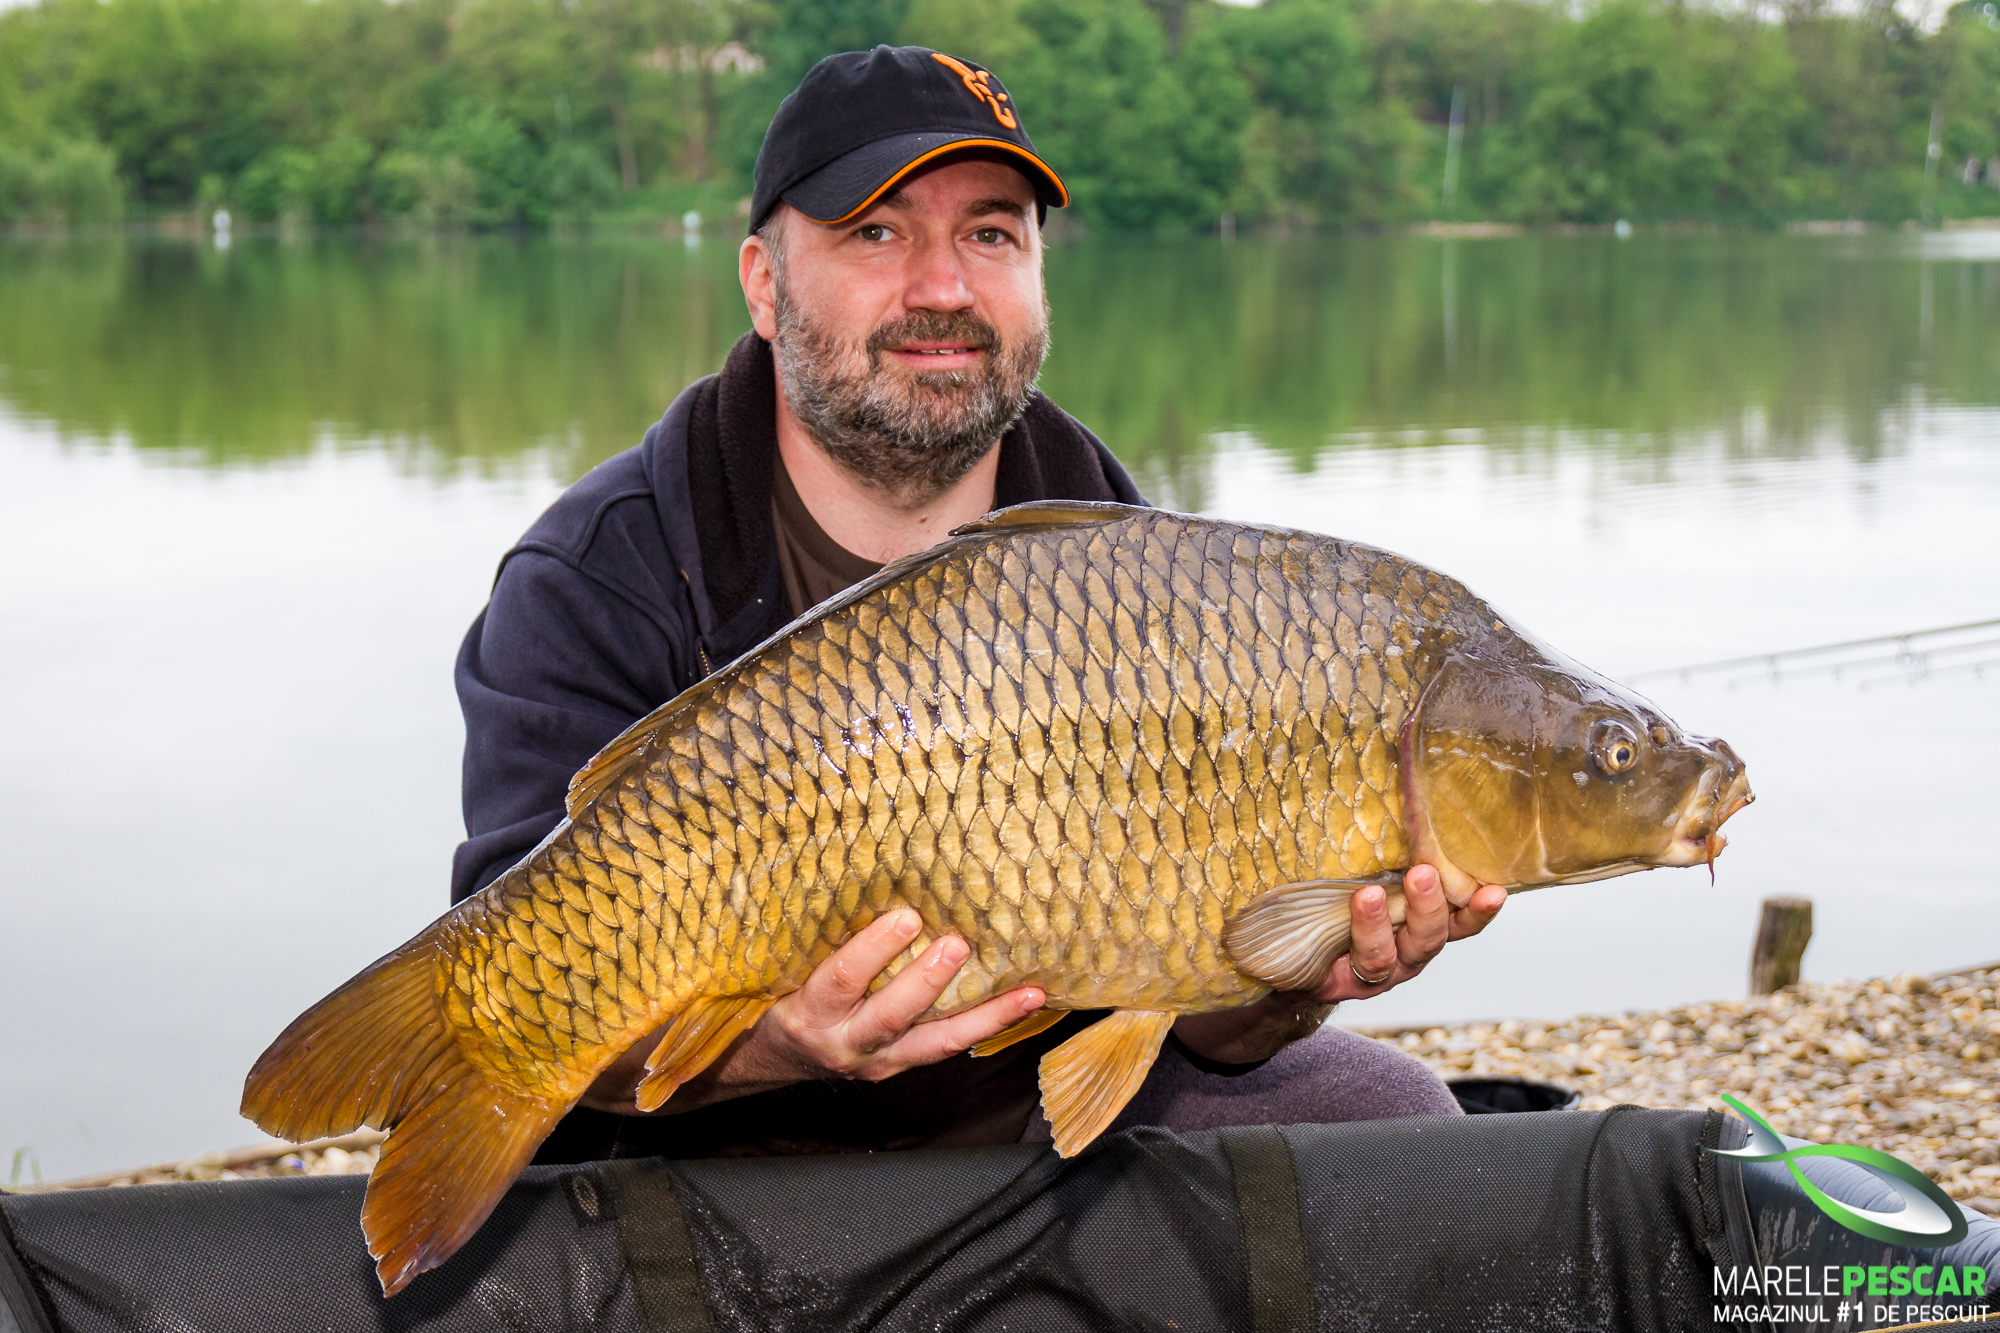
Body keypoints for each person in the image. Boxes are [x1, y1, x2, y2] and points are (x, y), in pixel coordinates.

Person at [451, 45, 1507, 1163]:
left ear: (1039, 275)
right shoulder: (601, 571)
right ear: (764, 284)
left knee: (1398, 1129)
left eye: (990, 234)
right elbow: (531, 1001)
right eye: (876, 232)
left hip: (1029, 1118)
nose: (943, 289)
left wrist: (1299, 982)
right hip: (716, 1149)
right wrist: (773, 1045)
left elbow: (1193, 1008)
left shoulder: (1127, 561)